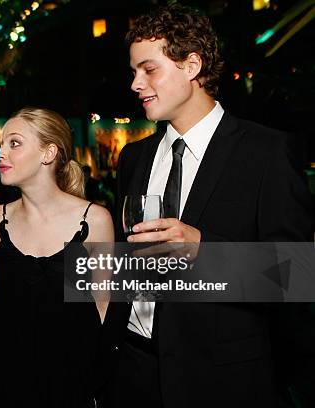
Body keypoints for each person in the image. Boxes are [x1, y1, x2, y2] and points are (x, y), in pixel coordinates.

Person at [101, 4, 314, 408]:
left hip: (221, 380)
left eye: (149, 69)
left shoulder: (266, 153)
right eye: (133, 71)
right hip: (132, 373)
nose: (135, 84)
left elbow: (297, 277)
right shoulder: (134, 157)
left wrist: (204, 253)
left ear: (192, 65)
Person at [0, 107, 114, 407]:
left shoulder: (93, 221)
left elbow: (103, 309)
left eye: (14, 143)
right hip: (4, 375)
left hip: (69, 379)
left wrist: (97, 383)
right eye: (1, 144)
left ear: (48, 153)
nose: (0, 153)